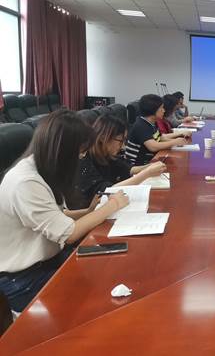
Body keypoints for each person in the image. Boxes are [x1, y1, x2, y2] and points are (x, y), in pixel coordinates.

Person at [0, 110, 129, 312]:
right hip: (24, 278)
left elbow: (58, 216)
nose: (81, 158)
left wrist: (89, 211)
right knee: (97, 302)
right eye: (80, 153)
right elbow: (68, 234)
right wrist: (112, 205)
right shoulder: (26, 182)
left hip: (50, 259)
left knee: (111, 268)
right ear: (62, 150)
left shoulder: (43, 169)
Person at [75, 113, 167, 208]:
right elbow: (106, 191)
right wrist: (146, 173)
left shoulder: (106, 154)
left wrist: (150, 167)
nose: (123, 146)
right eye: (120, 141)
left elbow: (127, 169)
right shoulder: (85, 161)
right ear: (103, 137)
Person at [125, 94, 187, 166]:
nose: (164, 110)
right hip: (138, 165)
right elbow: (153, 146)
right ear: (153, 110)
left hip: (151, 160)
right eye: (161, 108)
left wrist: (179, 136)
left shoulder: (153, 122)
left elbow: (161, 137)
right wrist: (174, 142)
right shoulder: (141, 125)